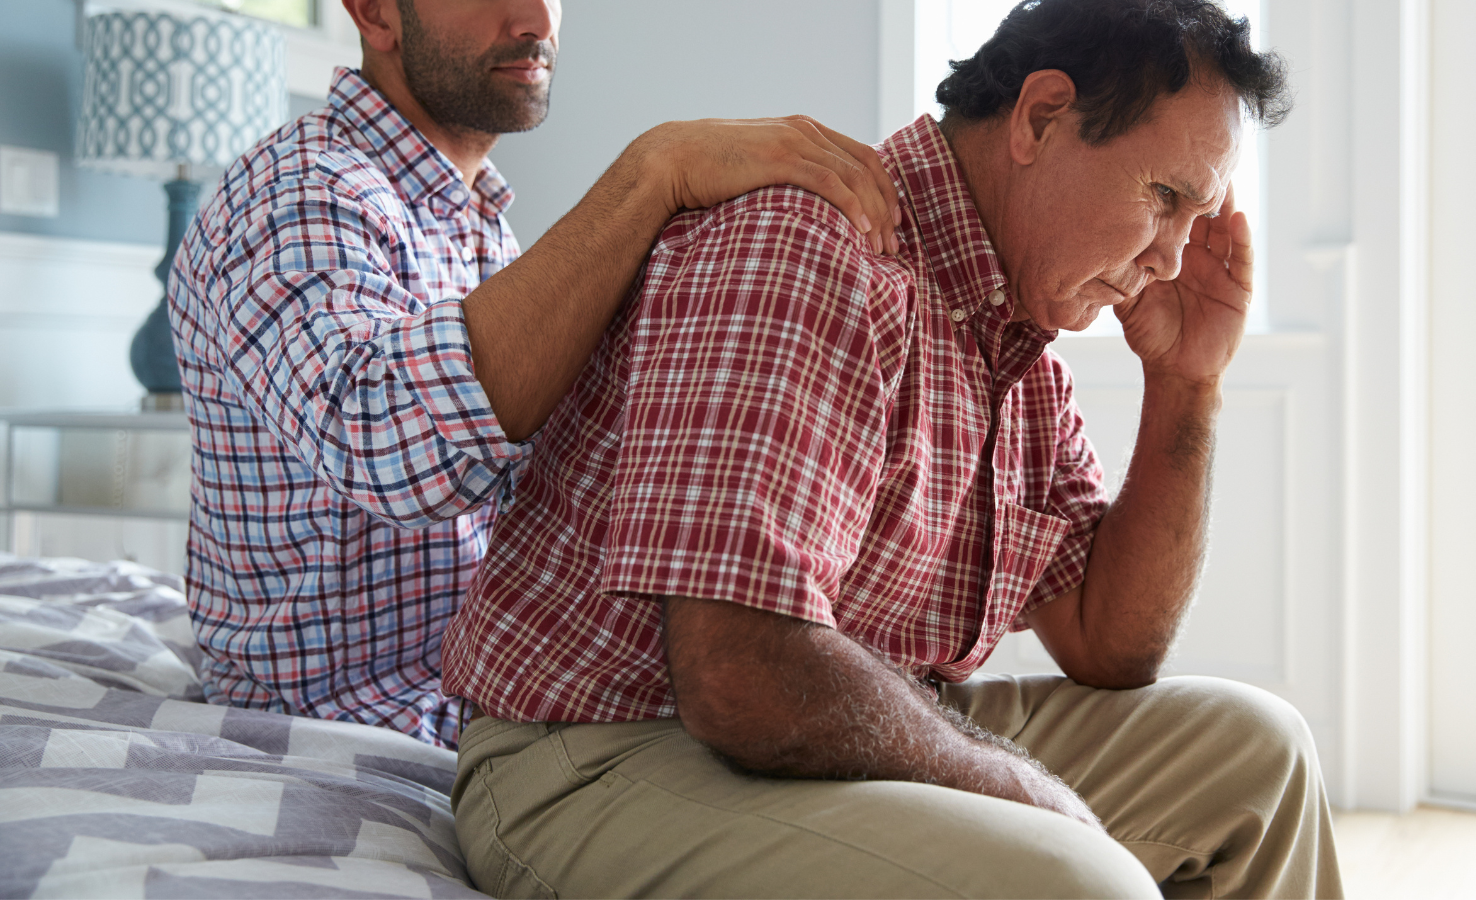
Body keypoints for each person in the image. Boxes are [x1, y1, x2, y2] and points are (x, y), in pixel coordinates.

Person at [442, 0, 1343, 897]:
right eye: (1164, 198)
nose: (1176, 259)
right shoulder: (807, 251)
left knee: (1261, 757)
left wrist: (1189, 381)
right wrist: (1014, 786)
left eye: (1200, 216)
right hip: (600, 754)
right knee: (1075, 882)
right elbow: (737, 671)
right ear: (1040, 117)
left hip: (830, 726)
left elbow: (1108, 643)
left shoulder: (1016, 336)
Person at [166, 0, 902, 749]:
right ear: (376, 13)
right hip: (350, 724)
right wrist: (652, 173)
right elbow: (389, 448)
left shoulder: (476, 219)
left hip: (478, 699)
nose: (536, 19)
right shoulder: (301, 190)